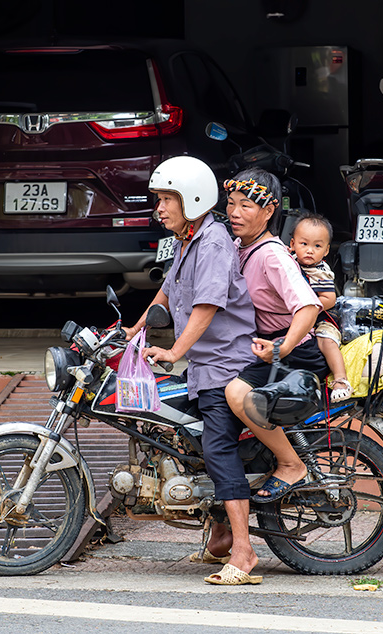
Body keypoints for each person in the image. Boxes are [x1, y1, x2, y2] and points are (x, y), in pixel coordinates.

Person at [122, 155, 262, 586]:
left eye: (168, 198)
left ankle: (244, 552)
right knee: (188, 437)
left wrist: (173, 352)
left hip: (227, 365)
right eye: (159, 198)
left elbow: (207, 305)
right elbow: (168, 290)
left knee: (218, 448)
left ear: (194, 198)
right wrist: (137, 327)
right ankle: (219, 536)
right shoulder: (187, 240)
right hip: (206, 366)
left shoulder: (214, 241)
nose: (160, 207)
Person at [223, 167, 329, 503]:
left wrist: (281, 347)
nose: (234, 212)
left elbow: (309, 308)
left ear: (269, 211)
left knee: (237, 394)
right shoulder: (241, 245)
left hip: (293, 351)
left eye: (246, 205)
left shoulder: (272, 256)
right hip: (264, 346)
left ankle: (290, 464)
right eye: (231, 202)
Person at [289, 212, 351, 402]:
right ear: (292, 244)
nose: (309, 250)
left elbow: (329, 299)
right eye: (304, 244)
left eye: (317, 246)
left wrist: (307, 308)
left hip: (323, 318)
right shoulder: (287, 260)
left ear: (325, 251)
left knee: (327, 341)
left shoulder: (320, 272)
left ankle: (341, 379)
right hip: (301, 317)